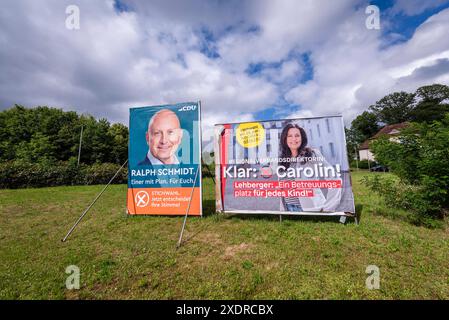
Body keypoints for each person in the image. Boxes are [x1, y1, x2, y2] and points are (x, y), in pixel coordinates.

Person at [278, 123, 341, 212]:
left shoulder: (312, 154)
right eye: (289, 136)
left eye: (297, 135)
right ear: (285, 139)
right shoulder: (283, 160)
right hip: (288, 208)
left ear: (302, 138)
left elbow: (335, 179)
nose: (294, 139)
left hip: (309, 209)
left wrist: (328, 208)